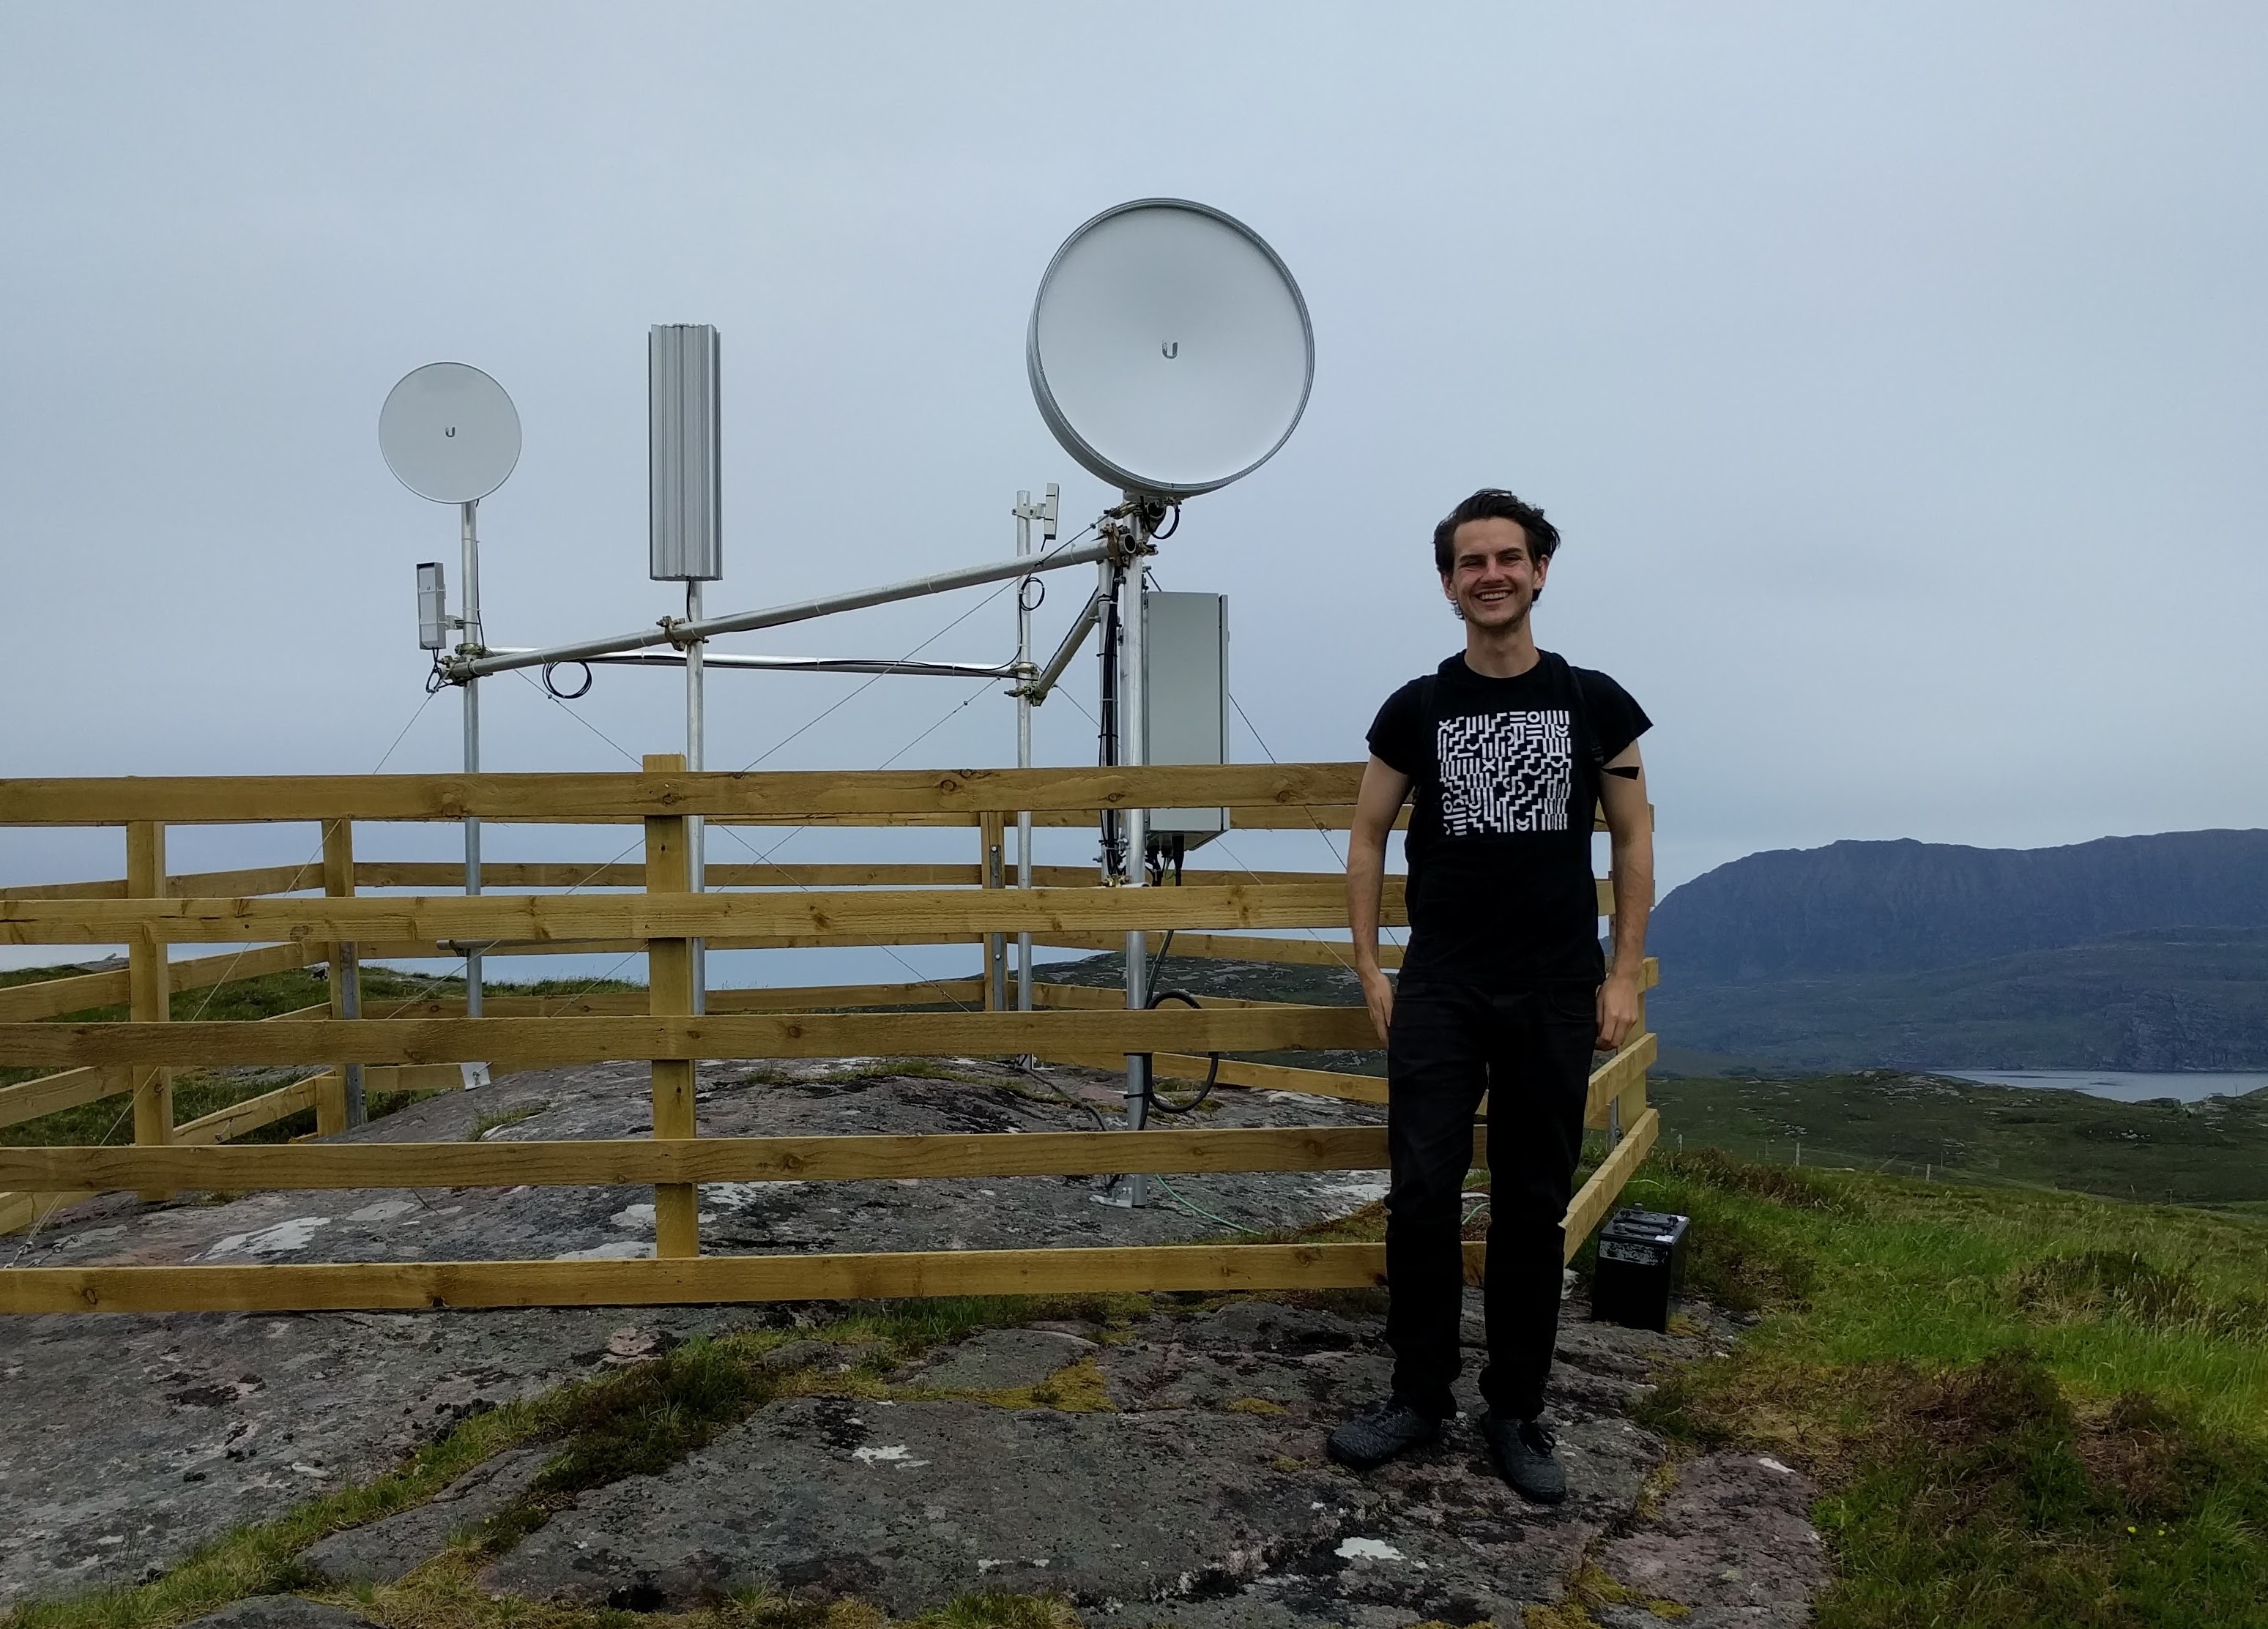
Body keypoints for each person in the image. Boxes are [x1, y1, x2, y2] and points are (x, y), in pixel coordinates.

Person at [1328, 488, 1654, 1504]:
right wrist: (1373, 967)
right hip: (1442, 983)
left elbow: (1636, 839)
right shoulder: (1415, 708)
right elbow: (1369, 833)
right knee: (1421, 1193)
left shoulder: (1594, 702)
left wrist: (1620, 974)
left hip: (1556, 986)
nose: (1491, 575)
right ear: (1448, 584)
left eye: (1508, 558)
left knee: (1529, 1202)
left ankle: (1514, 1408)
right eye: (1471, 562)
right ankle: (1418, 1397)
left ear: (1539, 570)